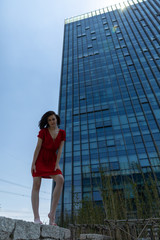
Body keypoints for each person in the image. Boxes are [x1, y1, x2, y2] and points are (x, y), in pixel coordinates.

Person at [31, 111, 66, 225]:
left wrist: (57, 163)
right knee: (36, 184)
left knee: (60, 179)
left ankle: (52, 214)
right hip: (41, 159)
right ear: (47, 122)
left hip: (52, 160)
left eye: (53, 119)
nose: (51, 121)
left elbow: (60, 150)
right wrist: (33, 163)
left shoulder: (62, 133)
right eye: (49, 120)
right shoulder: (43, 132)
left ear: (57, 119)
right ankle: (36, 217)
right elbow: (38, 147)